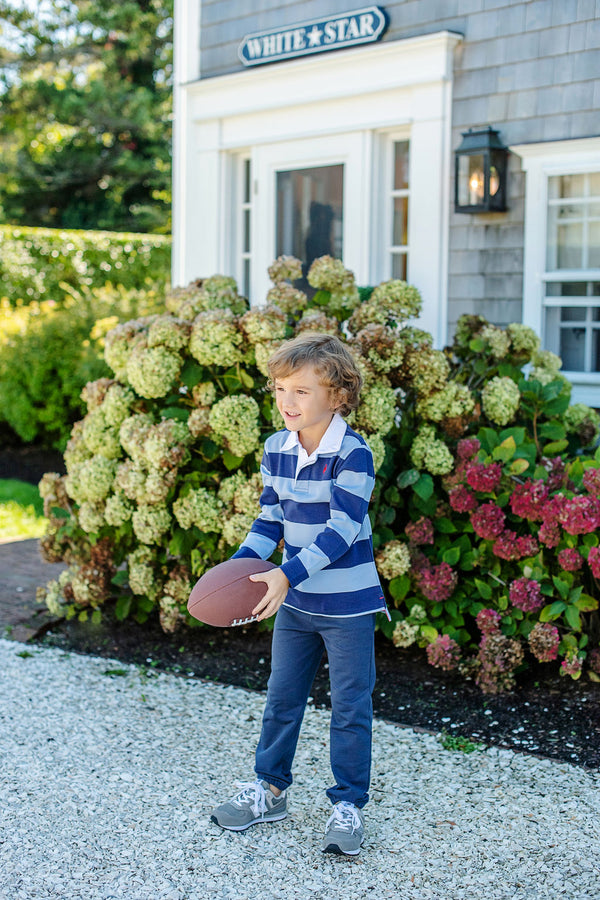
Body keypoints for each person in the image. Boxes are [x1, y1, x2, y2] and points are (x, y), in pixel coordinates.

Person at [210, 332, 389, 856]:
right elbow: (270, 520)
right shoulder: (275, 450)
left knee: (350, 706)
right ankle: (270, 789)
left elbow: (341, 531)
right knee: (282, 698)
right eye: (280, 388)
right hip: (296, 606)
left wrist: (286, 573)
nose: (287, 401)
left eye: (302, 391)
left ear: (338, 396)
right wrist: (242, 572)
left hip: (348, 605)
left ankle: (348, 804)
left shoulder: (353, 455)